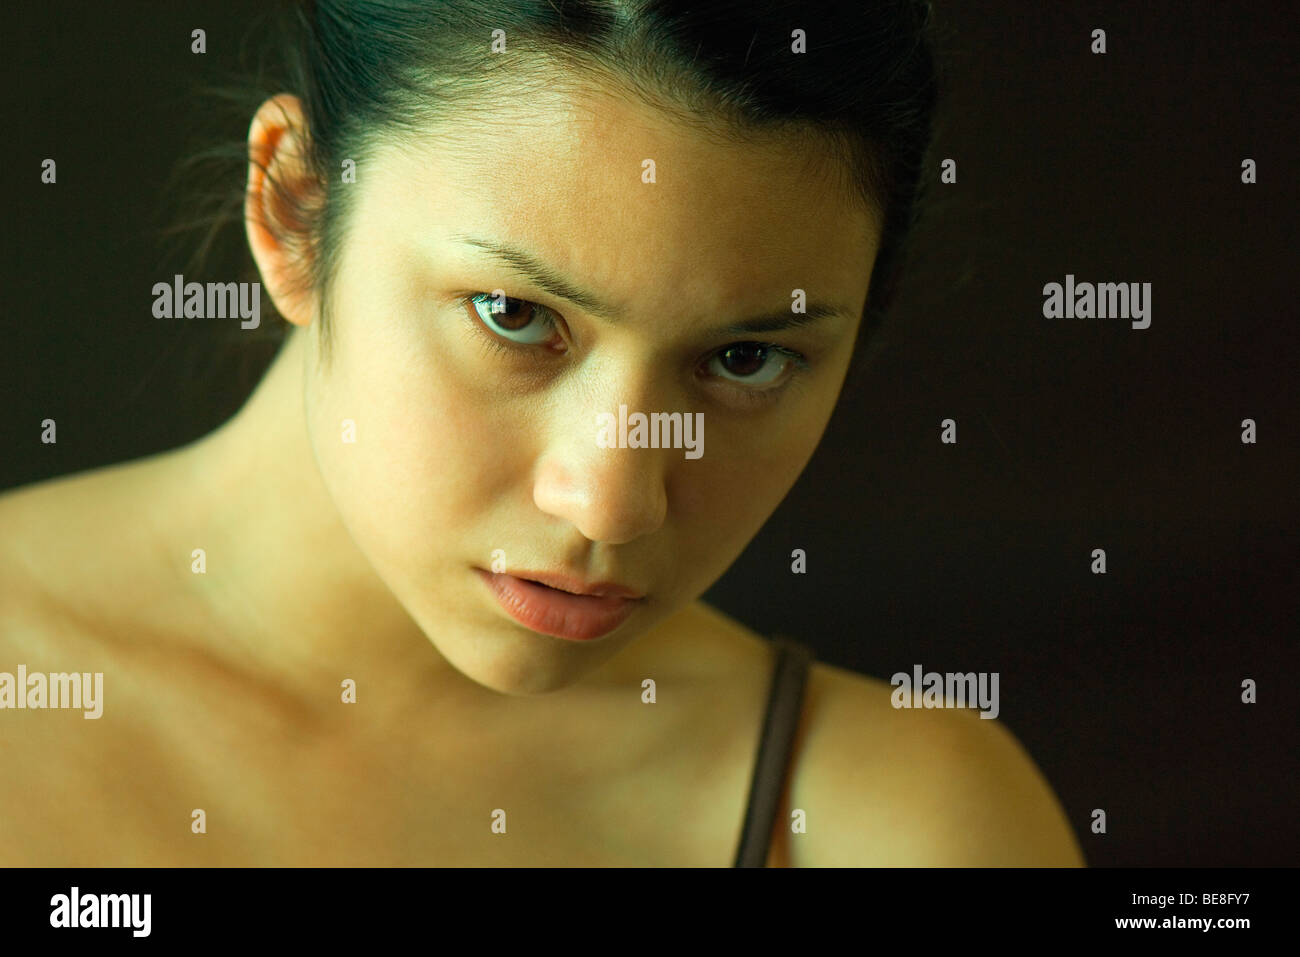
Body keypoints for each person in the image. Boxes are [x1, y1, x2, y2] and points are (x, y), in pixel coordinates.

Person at [0, 0, 1084, 866]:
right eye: (516, 317)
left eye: (746, 359)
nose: (612, 502)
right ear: (295, 209)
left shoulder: (902, 831)